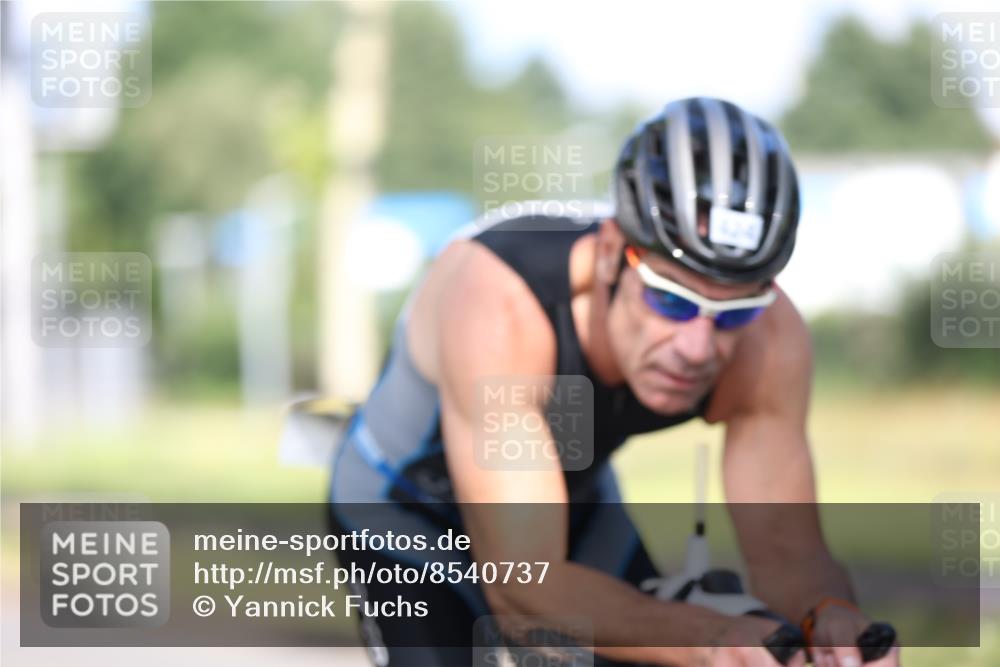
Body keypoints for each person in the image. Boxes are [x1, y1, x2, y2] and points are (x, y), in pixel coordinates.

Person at [328, 97, 900, 667]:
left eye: (733, 311)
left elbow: (786, 554)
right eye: (671, 299)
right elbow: (524, 595)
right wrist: (712, 639)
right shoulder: (500, 302)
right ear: (609, 255)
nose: (698, 347)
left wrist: (828, 621)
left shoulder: (769, 334)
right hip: (406, 508)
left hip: (568, 500)